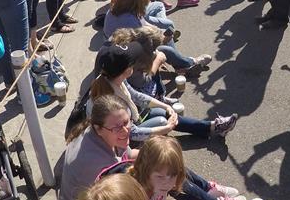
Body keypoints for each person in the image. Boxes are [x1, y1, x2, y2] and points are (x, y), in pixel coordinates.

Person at [90, 42, 237, 142]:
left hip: (131, 121)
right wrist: (165, 128)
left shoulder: (114, 79)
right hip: (122, 140)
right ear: (127, 70)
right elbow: (132, 133)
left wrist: (165, 106)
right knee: (162, 120)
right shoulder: (112, 101)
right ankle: (211, 127)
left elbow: (137, 96)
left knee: (165, 112)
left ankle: (212, 126)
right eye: (132, 61)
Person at [105, 0, 210, 74]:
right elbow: (145, 44)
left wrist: (160, 32)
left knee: (163, 32)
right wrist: (162, 39)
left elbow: (145, 24)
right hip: (125, 57)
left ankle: (179, 64)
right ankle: (188, 63)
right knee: (166, 50)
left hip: (122, 46)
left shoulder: (119, 9)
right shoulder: (130, 20)